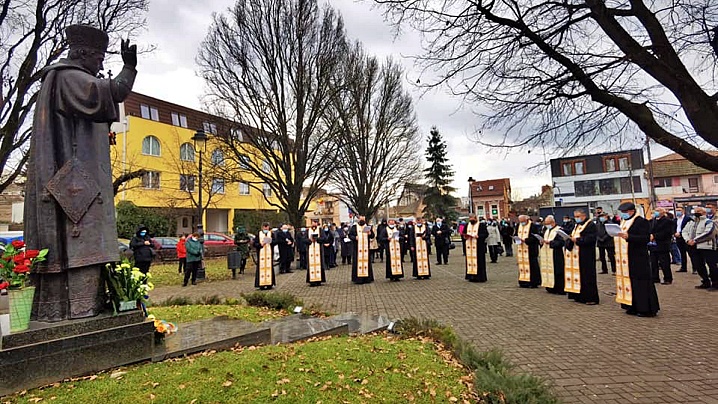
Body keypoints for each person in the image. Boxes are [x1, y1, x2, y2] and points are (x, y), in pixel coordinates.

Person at [24, 25, 137, 321]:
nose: (101, 65)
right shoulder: (69, 77)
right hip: (73, 182)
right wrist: (129, 68)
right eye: (99, 59)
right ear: (83, 54)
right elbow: (111, 93)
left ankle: (77, 307)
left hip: (74, 174)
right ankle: (76, 309)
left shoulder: (61, 78)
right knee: (80, 233)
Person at [614, 202, 660, 316]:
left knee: (641, 283)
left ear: (632, 211)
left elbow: (645, 238)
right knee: (630, 282)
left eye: (625, 212)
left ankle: (646, 309)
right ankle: (632, 305)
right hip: (627, 257)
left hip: (639, 257)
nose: (623, 215)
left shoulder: (641, 221)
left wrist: (629, 237)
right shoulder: (624, 221)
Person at [565, 208, 599, 304]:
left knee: (588, 276)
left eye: (578, 217)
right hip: (576, 255)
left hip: (586, 254)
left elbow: (591, 238)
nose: (576, 219)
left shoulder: (590, 225)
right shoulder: (577, 225)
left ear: (584, 216)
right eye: (575, 217)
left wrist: (578, 240)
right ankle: (579, 295)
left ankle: (590, 297)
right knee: (579, 275)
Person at [682, 206, 718, 290]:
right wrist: (688, 240)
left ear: (704, 212)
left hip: (707, 247)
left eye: (699, 211)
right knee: (698, 265)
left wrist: (695, 240)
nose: (696, 212)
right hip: (693, 247)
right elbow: (684, 231)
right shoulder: (691, 222)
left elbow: (709, 233)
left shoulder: (709, 222)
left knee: (711, 265)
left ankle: (715, 283)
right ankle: (705, 281)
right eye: (695, 211)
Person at [540, 216, 565, 294]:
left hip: (556, 254)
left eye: (548, 223)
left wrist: (550, 243)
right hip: (547, 254)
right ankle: (550, 287)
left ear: (553, 222)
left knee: (558, 271)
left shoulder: (559, 230)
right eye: (546, 224)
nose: (547, 225)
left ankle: (559, 288)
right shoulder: (546, 230)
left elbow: (561, 242)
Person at [649, 207, 674, 285]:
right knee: (653, 263)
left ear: (663, 212)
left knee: (664, 263)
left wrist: (655, 236)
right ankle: (655, 278)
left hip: (663, 245)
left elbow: (667, 233)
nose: (656, 212)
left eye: (658, 211)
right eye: (655, 211)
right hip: (653, 246)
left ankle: (668, 278)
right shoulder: (652, 221)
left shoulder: (668, 221)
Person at [462, 214, 489, 282]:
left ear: (476, 218)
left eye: (472, 218)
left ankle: (480, 277)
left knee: (479, 261)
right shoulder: (467, 225)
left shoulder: (481, 225)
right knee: (470, 261)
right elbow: (463, 233)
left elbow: (486, 234)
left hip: (478, 246)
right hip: (469, 247)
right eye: (470, 218)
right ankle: (471, 276)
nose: (471, 219)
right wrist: (465, 236)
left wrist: (478, 236)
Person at [516, 215, 541, 288]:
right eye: (520, 221)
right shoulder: (518, 226)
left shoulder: (533, 226)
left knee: (533, 266)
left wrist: (526, 240)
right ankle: (523, 281)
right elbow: (515, 234)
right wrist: (516, 239)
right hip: (521, 249)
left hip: (531, 249)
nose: (522, 223)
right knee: (522, 265)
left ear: (526, 220)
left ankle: (533, 282)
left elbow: (535, 237)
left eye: (523, 221)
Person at [348, 216, 375, 284]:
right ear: (359, 219)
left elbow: (372, 236)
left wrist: (370, 233)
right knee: (357, 263)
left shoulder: (368, 227)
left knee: (367, 263)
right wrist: (355, 237)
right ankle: (358, 279)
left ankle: (367, 279)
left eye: (363, 219)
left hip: (366, 249)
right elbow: (350, 235)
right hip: (357, 249)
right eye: (361, 219)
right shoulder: (354, 227)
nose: (362, 220)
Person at [253, 223, 277, 290]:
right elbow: (254, 244)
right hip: (261, 255)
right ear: (262, 227)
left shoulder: (271, 234)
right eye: (264, 227)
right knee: (260, 269)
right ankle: (261, 284)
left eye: (267, 227)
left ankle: (270, 284)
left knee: (270, 268)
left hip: (269, 255)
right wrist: (260, 244)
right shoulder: (258, 234)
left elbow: (275, 242)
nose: (266, 229)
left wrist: (271, 242)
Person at [674, 206, 691, 273]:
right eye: (677, 210)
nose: (678, 212)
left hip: (686, 238)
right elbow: (674, 227)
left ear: (683, 211)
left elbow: (689, 228)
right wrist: (674, 233)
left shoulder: (687, 219)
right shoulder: (675, 220)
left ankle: (695, 268)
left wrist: (680, 233)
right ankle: (683, 267)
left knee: (690, 253)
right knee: (682, 253)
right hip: (678, 238)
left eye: (679, 210)